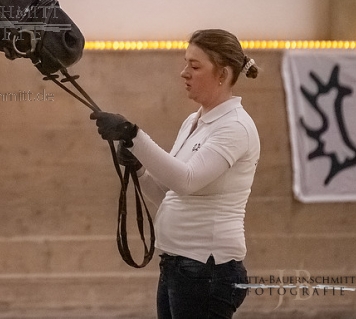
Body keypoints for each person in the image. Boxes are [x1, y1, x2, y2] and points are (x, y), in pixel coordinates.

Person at [92, 29, 260, 319]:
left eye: (195, 67)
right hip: (180, 265)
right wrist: (140, 169)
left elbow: (187, 181)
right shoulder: (194, 121)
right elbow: (172, 193)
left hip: (208, 269)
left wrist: (134, 137)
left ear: (222, 73)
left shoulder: (234, 127)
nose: (185, 73)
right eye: (186, 64)